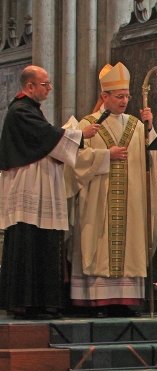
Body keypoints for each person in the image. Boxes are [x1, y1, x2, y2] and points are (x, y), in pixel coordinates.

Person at [0, 65, 99, 319]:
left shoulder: (29, 110)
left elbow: (46, 138)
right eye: (45, 84)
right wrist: (80, 134)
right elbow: (47, 137)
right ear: (29, 86)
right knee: (29, 242)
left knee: (39, 241)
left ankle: (39, 302)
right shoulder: (21, 111)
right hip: (30, 186)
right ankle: (27, 303)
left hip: (39, 183)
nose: (49, 88)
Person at [67, 62, 157, 317]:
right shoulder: (87, 126)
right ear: (104, 97)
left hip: (131, 200)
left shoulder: (137, 125)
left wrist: (150, 128)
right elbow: (74, 161)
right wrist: (105, 156)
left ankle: (125, 300)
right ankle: (98, 300)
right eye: (119, 96)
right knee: (97, 244)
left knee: (130, 244)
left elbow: (152, 156)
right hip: (98, 200)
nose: (124, 100)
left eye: (127, 96)